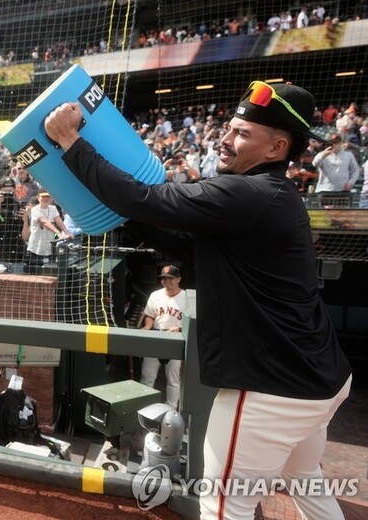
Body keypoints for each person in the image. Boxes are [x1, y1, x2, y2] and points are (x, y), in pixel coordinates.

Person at [44, 81, 352, 519]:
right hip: (318, 381)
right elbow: (186, 247)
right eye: (229, 128)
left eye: (242, 133)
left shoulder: (249, 193)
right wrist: (127, 216)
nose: (225, 139)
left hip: (271, 390)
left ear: (276, 147)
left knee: (223, 507)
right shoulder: (269, 196)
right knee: (307, 484)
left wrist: (72, 143)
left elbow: (143, 197)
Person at [139, 265, 187, 409]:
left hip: (175, 340)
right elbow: (149, 315)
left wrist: (180, 328)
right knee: (147, 378)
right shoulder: (155, 295)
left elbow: (193, 322)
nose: (167, 281)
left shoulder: (186, 297)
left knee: (173, 381)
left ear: (178, 279)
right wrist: (147, 326)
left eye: (170, 278)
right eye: (164, 278)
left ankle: (171, 410)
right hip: (157, 337)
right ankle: (145, 408)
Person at [0, 176, 30, 270]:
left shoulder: (19, 207)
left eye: (10, 191)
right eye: (4, 191)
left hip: (16, 256)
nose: (7, 194)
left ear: (14, 190)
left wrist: (25, 220)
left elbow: (25, 237)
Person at [24, 191, 71, 273]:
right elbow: (45, 222)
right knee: (32, 273)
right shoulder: (35, 209)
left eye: (48, 197)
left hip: (49, 248)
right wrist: (59, 233)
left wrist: (67, 232)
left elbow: (58, 220)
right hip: (35, 248)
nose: (45, 199)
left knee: (48, 272)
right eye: (43, 197)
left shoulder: (53, 208)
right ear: (38, 198)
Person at [312, 134, 360, 207]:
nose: (334, 145)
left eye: (336, 142)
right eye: (332, 143)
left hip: (343, 190)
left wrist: (351, 182)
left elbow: (355, 170)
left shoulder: (348, 155)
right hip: (325, 189)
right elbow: (315, 164)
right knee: (327, 212)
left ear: (340, 143)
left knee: (345, 213)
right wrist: (323, 155)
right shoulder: (322, 154)